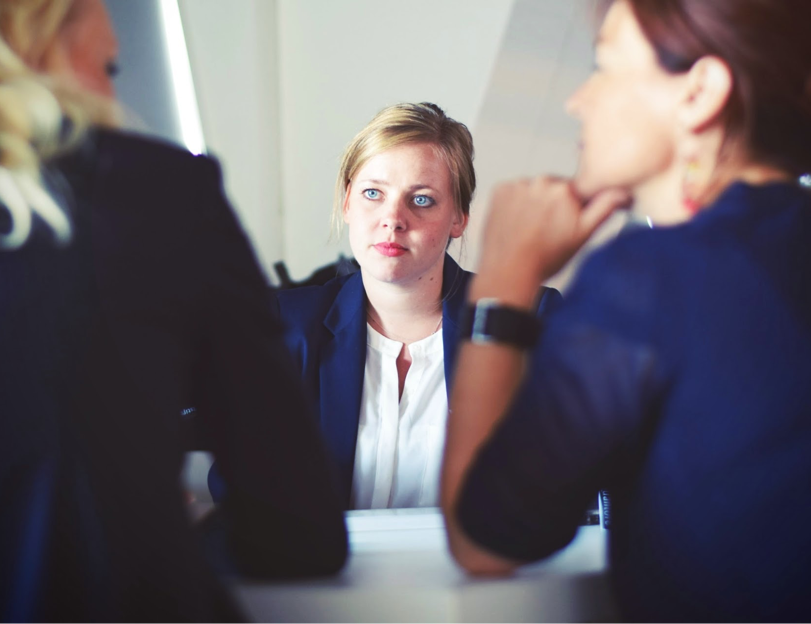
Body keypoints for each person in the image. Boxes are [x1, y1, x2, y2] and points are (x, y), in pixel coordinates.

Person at [441, 1, 811, 623]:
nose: (578, 101)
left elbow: (484, 539)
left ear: (699, 93)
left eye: (604, 67)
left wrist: (505, 276)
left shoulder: (650, 277)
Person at [0, 0, 346, 622]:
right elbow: (297, 528)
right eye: (110, 66)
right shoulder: (161, 196)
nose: (110, 94)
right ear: (41, 39)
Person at [270, 102, 561, 509]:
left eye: (421, 200)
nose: (393, 219)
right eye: (373, 193)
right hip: (323, 572)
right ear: (347, 202)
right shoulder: (286, 326)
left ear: (458, 217)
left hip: (474, 572)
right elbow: (241, 494)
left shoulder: (528, 320)